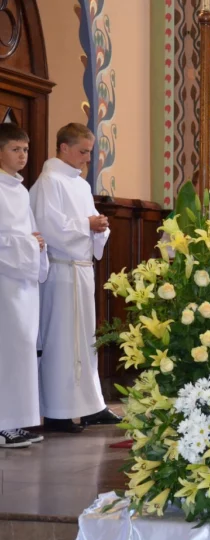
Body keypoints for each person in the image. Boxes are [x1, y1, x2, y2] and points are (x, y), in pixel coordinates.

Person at [31, 123, 119, 432]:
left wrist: (100, 226)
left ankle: (90, 406)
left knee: (84, 342)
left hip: (81, 271)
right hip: (61, 272)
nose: (87, 159)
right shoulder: (48, 182)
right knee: (62, 341)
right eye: (83, 151)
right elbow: (47, 226)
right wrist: (87, 225)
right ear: (64, 148)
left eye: (90, 152)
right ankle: (58, 411)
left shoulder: (80, 185)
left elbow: (88, 223)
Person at [0, 124, 48, 447]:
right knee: (7, 351)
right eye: (15, 149)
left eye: (26, 150)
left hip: (23, 283)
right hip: (4, 282)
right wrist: (29, 244)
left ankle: (16, 421)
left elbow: (29, 232)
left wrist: (36, 243)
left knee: (22, 350)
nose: (22, 156)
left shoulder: (20, 190)